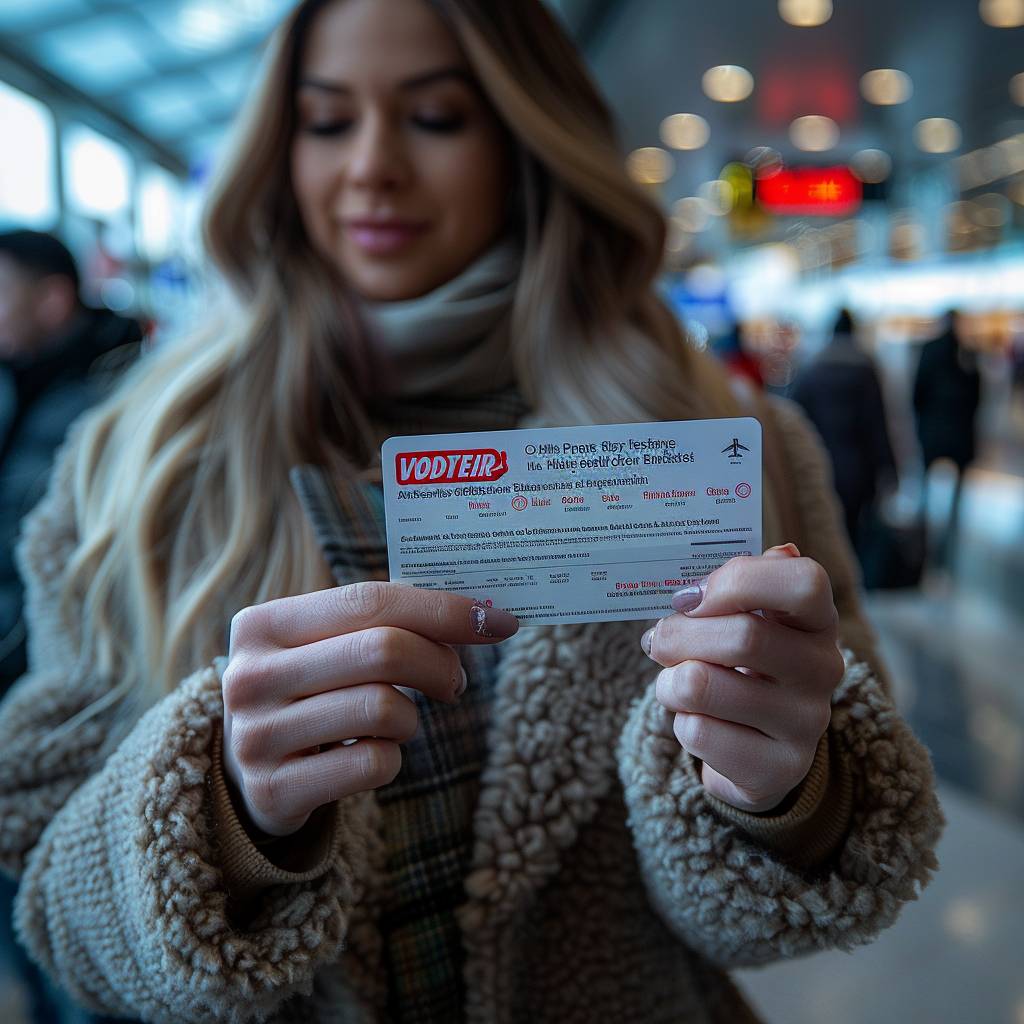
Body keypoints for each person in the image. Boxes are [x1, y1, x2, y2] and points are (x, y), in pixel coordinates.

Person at [0, 2, 943, 1022]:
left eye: (436, 117)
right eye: (325, 122)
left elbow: (812, 881)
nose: (370, 167)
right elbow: (51, 887)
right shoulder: (141, 454)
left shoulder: (719, 441)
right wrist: (224, 815)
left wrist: (785, 792)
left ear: (525, 138)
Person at [0, 229, 142, 1024]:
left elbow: (68, 586)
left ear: (53, 299)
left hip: (55, 714)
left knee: (68, 937)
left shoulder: (101, 406)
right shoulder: (22, 388)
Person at [791, 309, 897, 554]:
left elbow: (795, 418)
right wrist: (890, 467)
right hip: (860, 468)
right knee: (855, 530)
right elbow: (877, 423)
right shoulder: (866, 370)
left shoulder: (813, 370)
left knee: (825, 528)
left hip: (821, 462)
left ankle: (830, 580)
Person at [912, 312, 982, 574]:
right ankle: (948, 546)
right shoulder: (968, 353)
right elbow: (978, 396)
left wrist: (921, 424)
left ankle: (925, 545)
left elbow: (917, 392)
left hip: (932, 431)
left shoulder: (930, 350)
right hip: (960, 433)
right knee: (957, 495)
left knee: (925, 490)